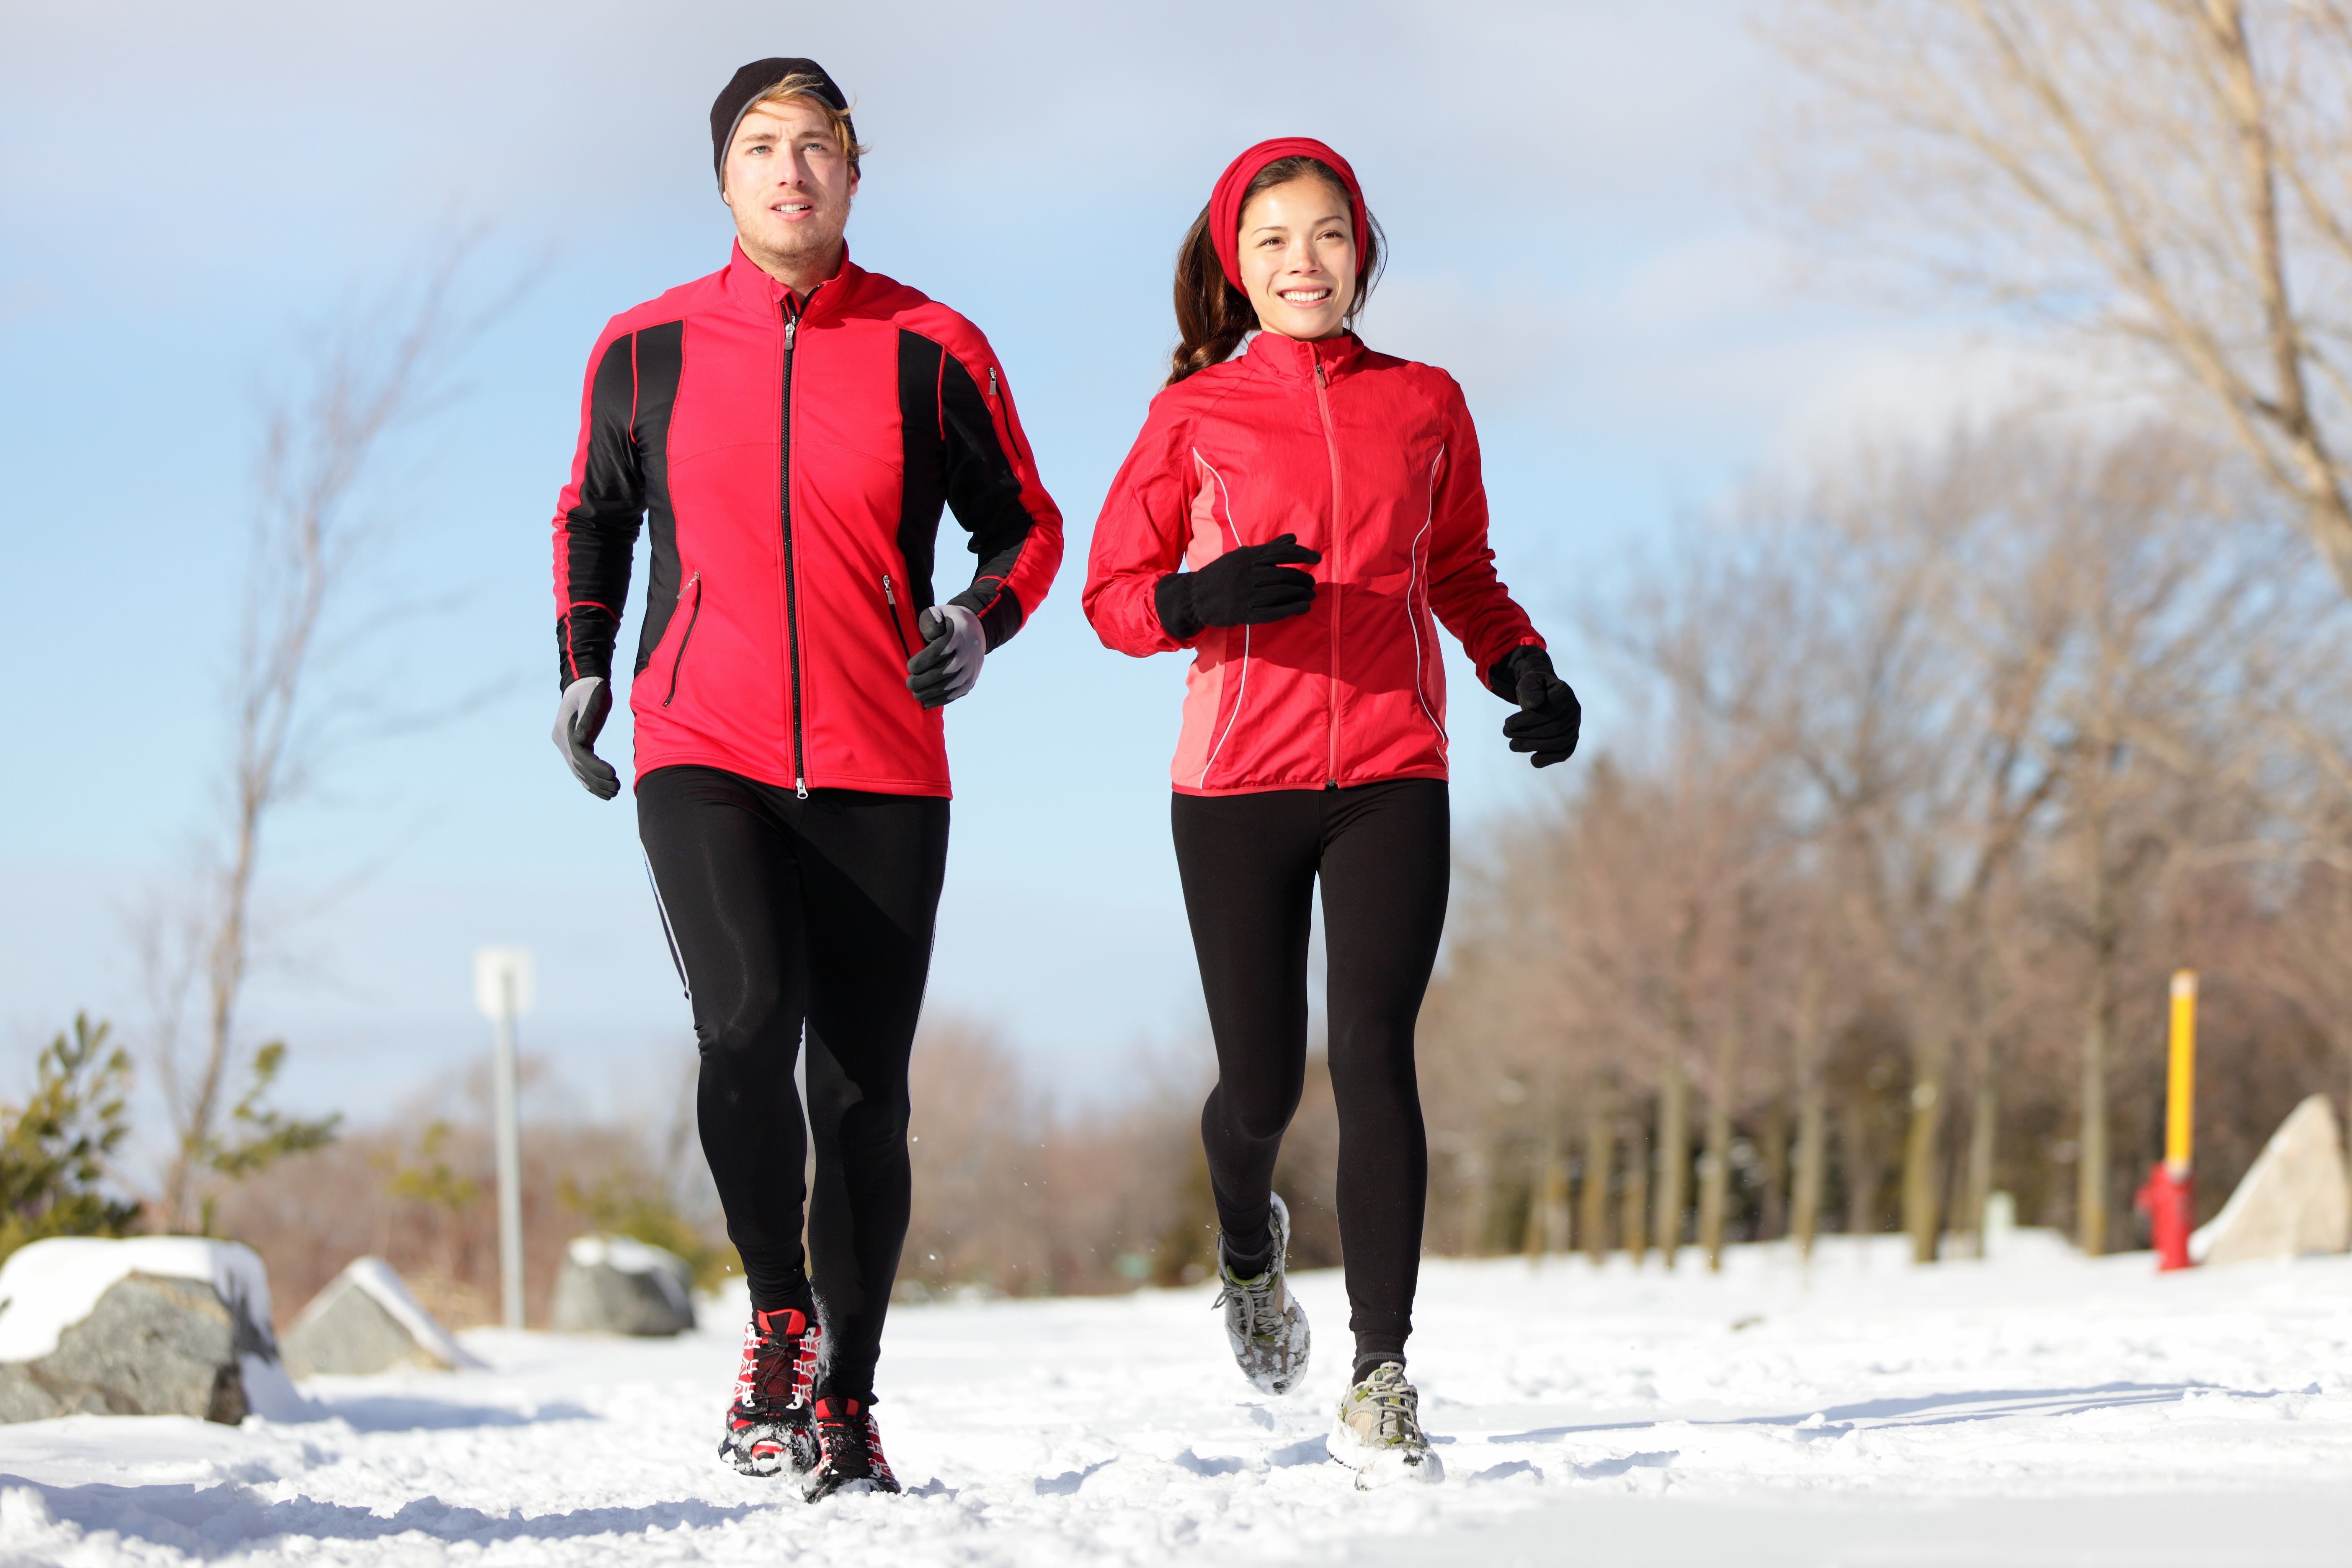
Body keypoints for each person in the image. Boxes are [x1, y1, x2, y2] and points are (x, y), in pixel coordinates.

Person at [546, 57, 1063, 1501]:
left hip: (884, 761)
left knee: (862, 1100)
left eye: (817, 146)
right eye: (762, 147)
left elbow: (1025, 527)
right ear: (724, 178)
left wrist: (975, 620)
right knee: (744, 1023)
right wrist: (585, 663)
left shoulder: (929, 346)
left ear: (855, 170)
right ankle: (778, 1310)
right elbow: (595, 515)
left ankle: (849, 1394)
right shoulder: (643, 347)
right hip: (697, 747)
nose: (791, 171)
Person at [1081, 138, 1580, 1489]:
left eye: (1328, 236)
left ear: (1362, 249)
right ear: (1235, 269)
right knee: (1262, 1083)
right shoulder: (1194, 416)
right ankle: (1248, 1242)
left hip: (1392, 773)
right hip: (1236, 781)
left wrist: (1520, 664)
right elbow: (1113, 594)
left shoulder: (1426, 401)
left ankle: (1381, 1374)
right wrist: (1197, 600)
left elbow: (1462, 569)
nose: (1304, 263)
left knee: (1374, 1048)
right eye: (1274, 243)